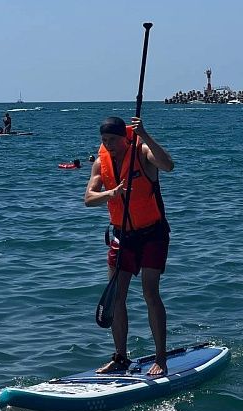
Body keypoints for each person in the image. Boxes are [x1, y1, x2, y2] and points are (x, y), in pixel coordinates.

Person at [84, 116, 174, 377]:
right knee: (116, 297)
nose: (108, 145)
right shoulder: (100, 163)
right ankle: (120, 357)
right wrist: (111, 194)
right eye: (104, 140)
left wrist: (144, 134)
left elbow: (168, 166)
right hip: (122, 236)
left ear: (125, 138)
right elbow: (89, 198)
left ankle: (161, 358)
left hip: (153, 234)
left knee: (150, 293)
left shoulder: (143, 152)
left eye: (113, 140)